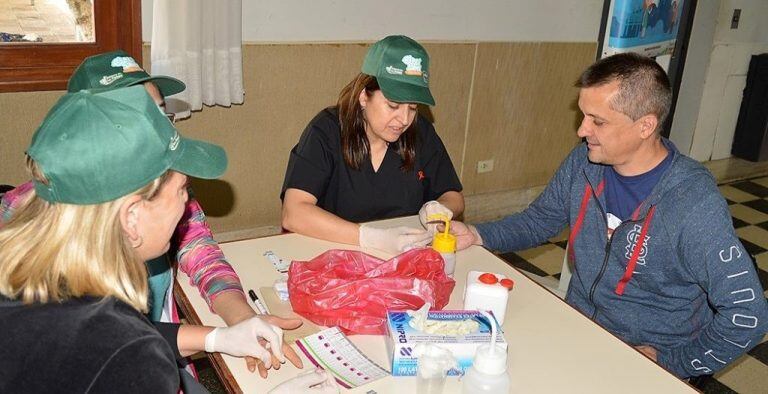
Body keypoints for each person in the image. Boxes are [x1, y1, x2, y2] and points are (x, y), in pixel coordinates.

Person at [451, 53, 768, 379]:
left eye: (598, 121)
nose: (581, 130)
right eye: (584, 115)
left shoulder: (693, 203)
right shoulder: (585, 162)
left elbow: (749, 315)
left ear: (646, 125)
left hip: (644, 357)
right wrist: (478, 234)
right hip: (579, 326)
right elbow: (540, 219)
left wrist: (671, 361)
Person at [0, 50, 300, 377]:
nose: (165, 129)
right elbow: (118, 345)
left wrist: (232, 325)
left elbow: (199, 253)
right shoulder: (112, 348)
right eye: (146, 117)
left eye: (162, 114)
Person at [281, 35, 464, 254]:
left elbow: (454, 196)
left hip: (403, 256)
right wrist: (371, 238)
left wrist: (440, 211)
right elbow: (294, 213)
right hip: (333, 252)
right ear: (363, 97)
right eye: (393, 105)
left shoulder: (420, 132)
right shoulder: (326, 131)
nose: (405, 119)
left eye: (413, 108)